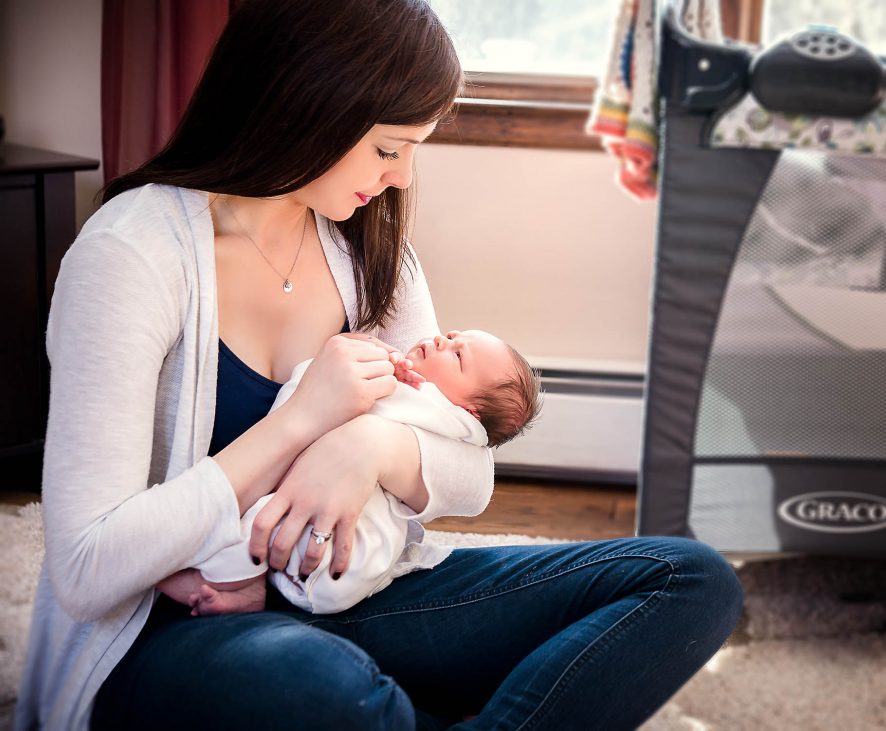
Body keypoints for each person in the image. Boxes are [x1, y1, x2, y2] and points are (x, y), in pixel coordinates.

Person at [15, 1, 744, 729]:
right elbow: (86, 569)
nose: (400, 180)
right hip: (177, 623)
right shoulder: (133, 255)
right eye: (389, 148)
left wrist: (366, 446)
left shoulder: (366, 253)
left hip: (354, 590)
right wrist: (300, 422)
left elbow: (472, 471)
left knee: (691, 580)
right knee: (332, 693)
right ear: (309, 103)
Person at [158, 328, 541, 616]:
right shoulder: (433, 403)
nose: (442, 340)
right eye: (453, 335)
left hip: (345, 545)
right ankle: (245, 586)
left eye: (458, 356)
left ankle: (222, 578)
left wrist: (371, 440)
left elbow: (476, 481)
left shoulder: (431, 404)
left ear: (470, 413)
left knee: (261, 519)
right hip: (356, 568)